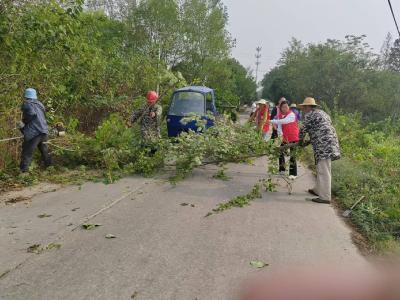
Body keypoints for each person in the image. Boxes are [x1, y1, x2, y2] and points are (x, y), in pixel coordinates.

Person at [298, 97, 341, 204]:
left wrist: (300, 142)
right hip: (329, 143)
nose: (302, 109)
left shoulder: (310, 115)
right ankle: (317, 190)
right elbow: (320, 129)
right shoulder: (323, 113)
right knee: (322, 168)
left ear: (308, 107)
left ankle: (325, 197)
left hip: (324, 146)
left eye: (303, 107)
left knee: (323, 170)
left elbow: (303, 130)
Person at [19, 88, 52, 173]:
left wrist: (23, 122)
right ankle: (50, 169)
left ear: (26, 96)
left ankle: (23, 172)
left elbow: (31, 114)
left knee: (27, 152)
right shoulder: (40, 104)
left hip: (34, 133)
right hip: (44, 131)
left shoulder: (27, 104)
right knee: (44, 151)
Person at [270, 100, 299, 178]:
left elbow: (284, 121)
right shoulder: (280, 115)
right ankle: (282, 169)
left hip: (293, 137)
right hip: (285, 138)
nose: (285, 108)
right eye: (283, 107)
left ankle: (293, 174)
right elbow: (279, 128)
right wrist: (280, 136)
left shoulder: (291, 114)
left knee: (293, 155)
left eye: (286, 106)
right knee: (280, 151)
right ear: (281, 108)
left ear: (288, 107)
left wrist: (272, 120)